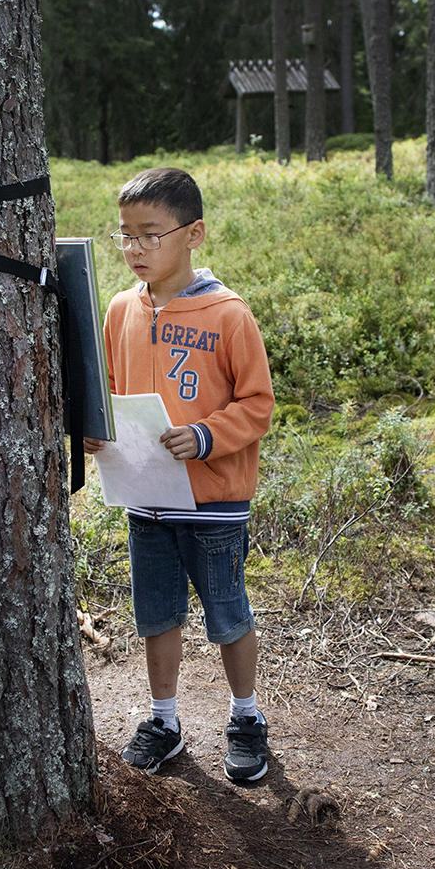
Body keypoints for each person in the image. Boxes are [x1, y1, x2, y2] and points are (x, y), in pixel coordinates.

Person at [83, 167, 276, 783]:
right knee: (156, 613)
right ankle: (164, 721)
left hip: (214, 502)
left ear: (193, 234)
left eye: (150, 234)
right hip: (146, 498)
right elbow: (111, 390)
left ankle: (246, 717)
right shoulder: (119, 311)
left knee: (227, 611)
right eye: (125, 236)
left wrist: (204, 437)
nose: (136, 248)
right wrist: (97, 430)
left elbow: (257, 403)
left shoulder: (228, 314)